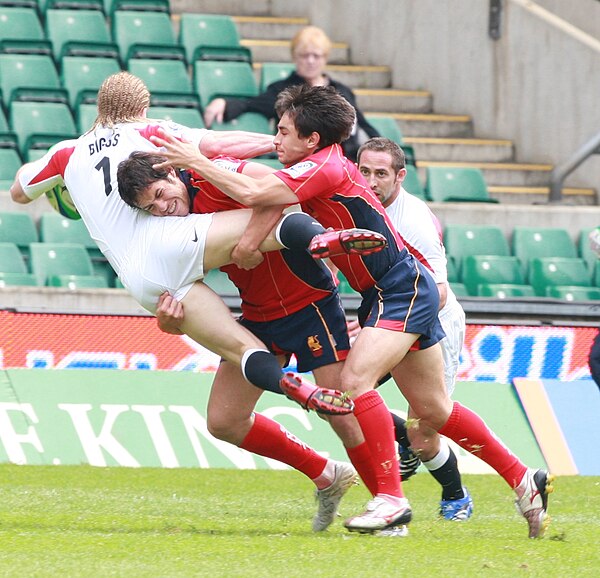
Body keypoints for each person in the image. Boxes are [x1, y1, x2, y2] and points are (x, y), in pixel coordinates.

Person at [148, 84, 554, 539]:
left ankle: (391, 501)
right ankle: (525, 480)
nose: (275, 140)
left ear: (312, 139)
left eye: (283, 132)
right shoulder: (314, 164)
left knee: (354, 385)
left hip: (401, 287)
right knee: (433, 411)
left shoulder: (321, 167)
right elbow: (266, 195)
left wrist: (195, 160)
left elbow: (251, 187)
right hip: (383, 291)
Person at [9, 72, 389, 419]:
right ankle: (323, 239)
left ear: (99, 108)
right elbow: (220, 142)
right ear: (141, 108)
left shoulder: (66, 154)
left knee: (241, 351)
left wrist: (64, 186)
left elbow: (19, 192)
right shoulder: (150, 130)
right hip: (171, 238)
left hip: (139, 283)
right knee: (279, 209)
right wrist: (279, 145)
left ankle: (291, 387)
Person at [356, 137, 472, 521]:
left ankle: (456, 496)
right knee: (340, 394)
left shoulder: (413, 220)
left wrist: (389, 331)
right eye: (365, 171)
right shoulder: (355, 205)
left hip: (432, 322)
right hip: (391, 315)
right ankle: (403, 442)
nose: (371, 181)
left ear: (400, 177)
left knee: (427, 430)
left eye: (381, 174)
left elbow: (436, 293)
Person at [202, 25, 378, 162]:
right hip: (305, 161)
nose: (310, 61)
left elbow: (361, 123)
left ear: (325, 58)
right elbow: (253, 104)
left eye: (316, 56)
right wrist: (224, 102)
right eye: (304, 55)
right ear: (295, 57)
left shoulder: (342, 90)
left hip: (345, 158)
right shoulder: (284, 89)